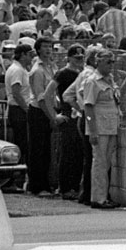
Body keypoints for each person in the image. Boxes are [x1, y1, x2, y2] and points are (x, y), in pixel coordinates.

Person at [44, 44, 87, 200]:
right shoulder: (63, 73)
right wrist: (54, 115)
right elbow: (47, 94)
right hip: (68, 114)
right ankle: (65, 187)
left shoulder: (82, 73)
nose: (79, 60)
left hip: (78, 114)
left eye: (81, 57)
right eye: (76, 58)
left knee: (78, 153)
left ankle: (74, 186)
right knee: (67, 153)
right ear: (69, 58)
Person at [82, 49, 121, 209]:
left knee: (107, 164)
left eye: (112, 62)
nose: (111, 65)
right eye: (107, 62)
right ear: (98, 62)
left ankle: (105, 195)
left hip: (111, 126)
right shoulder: (92, 81)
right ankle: (98, 198)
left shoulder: (110, 80)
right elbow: (88, 107)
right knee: (99, 163)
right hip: (99, 128)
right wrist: (92, 131)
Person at [27, 36, 60, 196]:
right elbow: (40, 97)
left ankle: (46, 184)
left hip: (49, 108)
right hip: (39, 112)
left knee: (47, 150)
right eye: (45, 47)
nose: (48, 50)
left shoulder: (51, 67)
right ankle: (37, 186)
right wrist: (51, 117)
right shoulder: (37, 70)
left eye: (50, 46)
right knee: (38, 150)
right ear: (38, 49)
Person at [4, 43, 33, 192]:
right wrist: (27, 109)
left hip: (18, 109)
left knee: (23, 144)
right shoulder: (17, 70)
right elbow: (16, 92)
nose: (32, 57)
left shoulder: (20, 69)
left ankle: (19, 180)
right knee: (22, 144)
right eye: (29, 54)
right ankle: (16, 180)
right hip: (18, 110)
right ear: (22, 55)